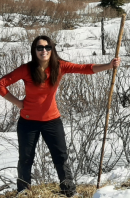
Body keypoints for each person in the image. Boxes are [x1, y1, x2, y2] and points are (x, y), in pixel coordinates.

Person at [0, 36, 121, 197]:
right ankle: (23, 193)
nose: (44, 51)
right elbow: (1, 84)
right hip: (28, 122)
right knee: (26, 158)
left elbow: (85, 68)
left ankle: (69, 191)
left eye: (47, 47)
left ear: (52, 49)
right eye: (40, 48)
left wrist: (109, 65)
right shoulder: (26, 69)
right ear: (34, 50)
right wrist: (17, 103)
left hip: (52, 121)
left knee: (61, 157)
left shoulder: (59, 66)